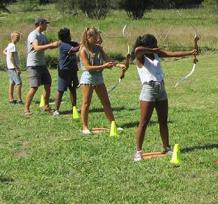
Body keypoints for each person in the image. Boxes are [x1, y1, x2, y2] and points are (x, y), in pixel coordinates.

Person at [133, 33, 198, 162]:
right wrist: (152, 50)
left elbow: (172, 53)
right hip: (149, 90)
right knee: (144, 122)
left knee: (163, 121)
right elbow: (137, 50)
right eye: (154, 44)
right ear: (148, 46)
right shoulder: (140, 57)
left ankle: (166, 147)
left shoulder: (156, 54)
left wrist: (191, 52)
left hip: (161, 89)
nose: (157, 46)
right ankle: (138, 151)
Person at [78, 27, 122, 135]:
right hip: (88, 78)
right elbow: (88, 67)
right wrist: (104, 66)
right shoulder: (83, 50)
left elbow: (108, 59)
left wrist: (119, 65)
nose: (98, 38)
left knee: (106, 102)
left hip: (99, 78)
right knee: (86, 103)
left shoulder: (99, 48)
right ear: (89, 37)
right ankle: (85, 127)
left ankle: (113, 124)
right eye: (95, 36)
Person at [24, 17, 60, 116]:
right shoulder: (33, 35)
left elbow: (48, 46)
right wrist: (50, 45)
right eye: (45, 24)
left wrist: (58, 44)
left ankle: (46, 106)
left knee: (48, 84)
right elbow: (36, 48)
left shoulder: (42, 35)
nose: (47, 25)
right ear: (40, 24)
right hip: (33, 65)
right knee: (34, 87)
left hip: (42, 64)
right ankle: (26, 110)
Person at [53, 27, 80, 117]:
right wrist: (82, 45)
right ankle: (56, 110)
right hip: (64, 71)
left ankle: (74, 107)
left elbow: (76, 44)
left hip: (72, 70)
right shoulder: (64, 45)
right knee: (60, 90)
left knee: (73, 89)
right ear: (67, 36)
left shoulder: (69, 43)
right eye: (69, 34)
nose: (71, 36)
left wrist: (80, 43)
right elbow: (74, 50)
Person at [4, 32, 22, 104]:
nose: (18, 38)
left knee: (12, 83)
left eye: (19, 37)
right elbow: (11, 57)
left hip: (10, 67)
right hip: (13, 68)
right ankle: (19, 100)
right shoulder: (12, 46)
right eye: (17, 37)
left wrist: (7, 54)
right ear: (12, 37)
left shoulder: (9, 45)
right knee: (19, 83)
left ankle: (11, 99)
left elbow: (4, 51)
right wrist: (16, 68)